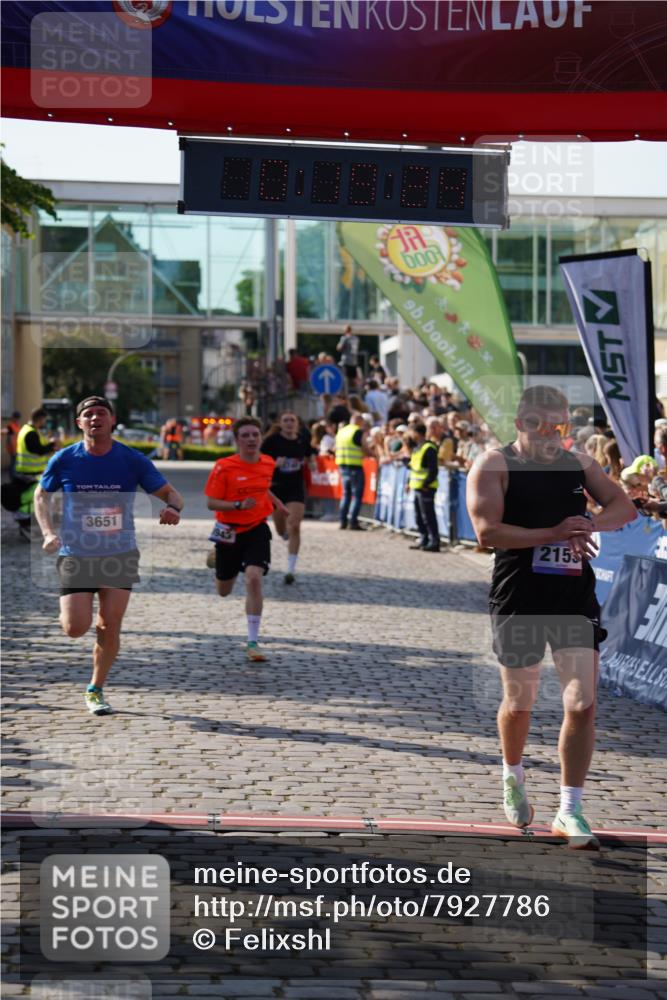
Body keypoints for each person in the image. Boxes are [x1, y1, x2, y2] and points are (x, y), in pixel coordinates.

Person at [466, 385, 636, 849]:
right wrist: (553, 532)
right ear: (521, 424)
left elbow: (625, 506)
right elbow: (486, 531)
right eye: (540, 425)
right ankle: (513, 773)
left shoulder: (579, 463)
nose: (551, 435)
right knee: (520, 704)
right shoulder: (494, 465)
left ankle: (570, 809)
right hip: (519, 594)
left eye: (559, 427)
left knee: (582, 704)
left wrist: (588, 525)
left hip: (572, 596)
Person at [34, 396, 184, 716]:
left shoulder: (132, 460)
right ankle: (72, 611)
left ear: (112, 420)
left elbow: (171, 493)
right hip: (77, 554)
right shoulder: (64, 459)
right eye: (88, 414)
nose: (95, 418)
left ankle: (95, 688)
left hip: (120, 553)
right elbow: (41, 494)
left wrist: (172, 507)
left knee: (109, 625)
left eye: (101, 413)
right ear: (79, 423)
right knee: (75, 628)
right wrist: (48, 532)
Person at [205, 417, 288, 661]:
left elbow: (262, 487)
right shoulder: (224, 466)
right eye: (246, 436)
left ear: (261, 438)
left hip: (256, 528)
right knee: (224, 590)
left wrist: (276, 502)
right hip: (228, 530)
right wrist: (238, 504)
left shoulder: (268, 463)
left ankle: (253, 641)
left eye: (255, 434)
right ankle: (217, 559)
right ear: (237, 440)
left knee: (253, 577)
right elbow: (211, 502)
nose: (251, 439)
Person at [260, 411, 316, 585]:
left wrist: (312, 462)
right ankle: (284, 534)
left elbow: (310, 454)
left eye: (293, 420)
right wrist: (275, 463)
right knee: (280, 529)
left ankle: (291, 568)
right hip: (276, 488)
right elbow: (260, 461)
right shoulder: (272, 441)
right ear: (280, 423)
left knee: (295, 525)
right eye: (286, 420)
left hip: (296, 488)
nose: (289, 423)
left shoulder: (302, 440)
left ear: (297, 423)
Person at [406, 422, 440, 552]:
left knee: (428, 516)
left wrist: (426, 484)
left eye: (411, 432)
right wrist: (408, 483)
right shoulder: (417, 448)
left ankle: (434, 541)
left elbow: (433, 470)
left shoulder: (429, 448)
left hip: (426, 488)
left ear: (416, 433)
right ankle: (424, 539)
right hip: (417, 487)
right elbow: (414, 468)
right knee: (419, 516)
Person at [334, 412, 370, 531]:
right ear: (359, 421)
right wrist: (374, 455)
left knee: (346, 495)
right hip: (355, 466)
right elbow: (365, 448)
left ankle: (342, 521)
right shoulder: (358, 431)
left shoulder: (342, 431)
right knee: (357, 496)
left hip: (342, 466)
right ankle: (353, 522)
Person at [336, 324, 361, 391]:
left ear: (345, 330)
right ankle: (354, 392)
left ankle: (346, 392)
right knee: (353, 379)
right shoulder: (356, 338)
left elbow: (339, 348)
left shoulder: (345, 338)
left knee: (345, 379)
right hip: (354, 361)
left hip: (346, 361)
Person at [2, 410, 21, 477]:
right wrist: (13, 450)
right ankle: (12, 476)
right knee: (13, 463)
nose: (18, 419)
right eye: (16, 418)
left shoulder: (17, 426)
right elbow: (9, 439)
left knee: (14, 463)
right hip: (12, 448)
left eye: (18, 418)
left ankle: (13, 475)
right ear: (13, 418)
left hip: (16, 448)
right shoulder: (10, 426)